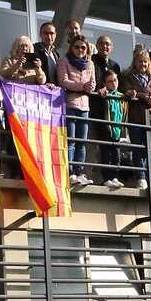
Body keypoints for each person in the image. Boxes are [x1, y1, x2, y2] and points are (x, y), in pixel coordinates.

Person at [121, 48, 151, 192]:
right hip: (135, 115)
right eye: (140, 61)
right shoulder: (128, 76)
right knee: (137, 146)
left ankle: (144, 170)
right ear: (135, 62)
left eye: (145, 61)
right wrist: (141, 95)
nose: (143, 64)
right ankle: (141, 177)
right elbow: (127, 91)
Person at [56, 35, 96, 187]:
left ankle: (79, 172)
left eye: (83, 47)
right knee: (71, 140)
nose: (80, 50)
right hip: (70, 104)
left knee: (82, 142)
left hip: (85, 106)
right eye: (77, 47)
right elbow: (63, 81)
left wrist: (90, 87)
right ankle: (70, 172)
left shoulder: (90, 64)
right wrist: (82, 86)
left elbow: (93, 82)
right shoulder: (64, 61)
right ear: (71, 48)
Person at [97, 68, 132, 189]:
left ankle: (115, 177)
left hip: (117, 130)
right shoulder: (104, 95)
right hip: (106, 130)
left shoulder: (121, 96)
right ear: (105, 83)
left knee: (116, 156)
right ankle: (107, 178)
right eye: (110, 81)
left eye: (115, 80)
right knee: (106, 155)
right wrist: (101, 92)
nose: (113, 83)